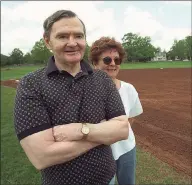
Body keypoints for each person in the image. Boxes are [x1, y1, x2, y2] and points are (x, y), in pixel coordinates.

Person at [13, 10, 129, 185]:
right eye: (63, 36)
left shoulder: (102, 79)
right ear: (47, 41)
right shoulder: (31, 84)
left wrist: (79, 130)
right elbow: (42, 156)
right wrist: (102, 134)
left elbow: (122, 130)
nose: (72, 43)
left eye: (78, 36)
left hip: (107, 179)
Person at [89, 37, 143, 185]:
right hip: (100, 153)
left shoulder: (128, 89)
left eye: (117, 60)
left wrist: (119, 134)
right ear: (95, 63)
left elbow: (130, 118)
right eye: (107, 60)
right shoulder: (86, 91)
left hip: (127, 149)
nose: (112, 64)